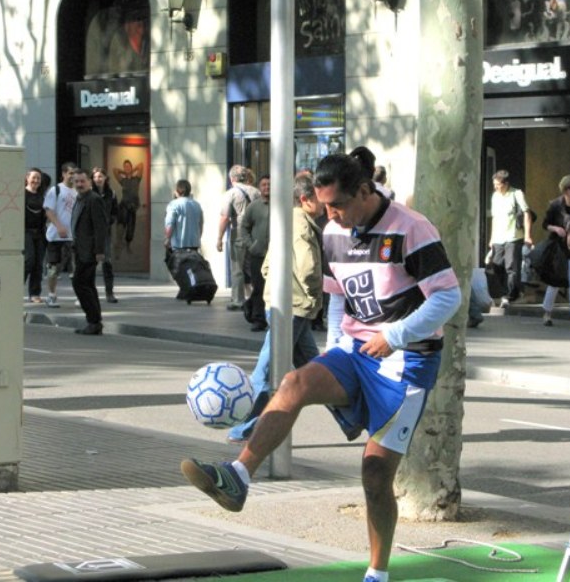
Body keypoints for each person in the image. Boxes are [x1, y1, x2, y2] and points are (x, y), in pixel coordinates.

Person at [181, 153, 462, 582]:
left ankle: (377, 573)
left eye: (338, 205)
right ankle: (237, 476)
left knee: (374, 473)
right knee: (293, 382)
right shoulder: (333, 231)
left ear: (365, 192)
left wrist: (394, 336)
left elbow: (447, 297)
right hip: (354, 350)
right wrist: (336, 346)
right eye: (325, 206)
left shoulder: (411, 228)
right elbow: (338, 297)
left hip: (407, 361)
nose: (330, 215)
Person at [228, 171, 324, 442]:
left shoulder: (287, 221)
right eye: (319, 198)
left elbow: (268, 265)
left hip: (287, 306)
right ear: (305, 199)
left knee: (316, 370)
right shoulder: (302, 225)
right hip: (294, 307)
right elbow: (308, 269)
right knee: (266, 370)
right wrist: (315, 294)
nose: (325, 204)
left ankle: (353, 417)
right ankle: (243, 428)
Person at [541, 174, 570, 328]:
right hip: (558, 248)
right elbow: (545, 224)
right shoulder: (555, 205)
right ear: (565, 189)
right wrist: (556, 228)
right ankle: (547, 311)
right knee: (555, 282)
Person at [486, 169, 533, 307]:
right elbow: (494, 218)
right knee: (496, 265)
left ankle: (510, 295)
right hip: (498, 237)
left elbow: (527, 214)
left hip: (513, 236)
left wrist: (528, 236)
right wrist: (492, 238)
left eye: (498, 184)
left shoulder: (516, 194)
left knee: (511, 267)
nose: (495, 187)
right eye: (494, 184)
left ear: (505, 183)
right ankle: (500, 293)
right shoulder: (495, 196)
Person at [70, 169, 108, 335]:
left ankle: (93, 320)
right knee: (87, 285)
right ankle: (94, 321)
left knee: (80, 283)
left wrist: (99, 250)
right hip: (80, 249)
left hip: (89, 250)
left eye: (82, 181)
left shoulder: (94, 200)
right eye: (76, 181)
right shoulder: (80, 199)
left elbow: (101, 227)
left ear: (89, 182)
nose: (79, 184)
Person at [218, 165, 260, 310]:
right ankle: (259, 296)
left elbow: (225, 217)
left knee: (237, 268)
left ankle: (238, 299)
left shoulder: (231, 194)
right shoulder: (256, 192)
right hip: (255, 234)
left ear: (232, 178)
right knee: (255, 267)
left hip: (239, 234)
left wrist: (219, 238)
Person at [43, 161, 78, 308]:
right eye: (70, 173)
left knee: (75, 269)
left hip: (73, 237)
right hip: (56, 237)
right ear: (63, 174)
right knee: (53, 269)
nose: (73, 176)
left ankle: (79, 296)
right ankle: (51, 295)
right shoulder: (55, 190)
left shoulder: (78, 191)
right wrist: (59, 226)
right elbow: (48, 210)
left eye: (75, 173)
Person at [240, 174, 271, 332]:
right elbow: (244, 227)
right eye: (264, 185)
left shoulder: (282, 204)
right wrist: (251, 245)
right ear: (260, 187)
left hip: (276, 256)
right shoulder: (254, 206)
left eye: (269, 184)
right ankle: (258, 319)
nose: (267, 187)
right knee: (259, 287)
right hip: (258, 255)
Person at [92, 166, 119, 303]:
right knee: (90, 262)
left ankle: (109, 292)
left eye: (100, 176)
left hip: (105, 232)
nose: (98, 179)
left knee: (107, 261)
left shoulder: (111, 193)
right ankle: (90, 293)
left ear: (105, 178)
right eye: (95, 177)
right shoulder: (90, 192)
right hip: (91, 233)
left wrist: (110, 220)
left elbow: (115, 210)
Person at [24, 167, 48, 304]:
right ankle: (15, 288)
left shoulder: (42, 196)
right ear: (27, 178)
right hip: (25, 231)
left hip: (40, 233)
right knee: (29, 260)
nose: (36, 180)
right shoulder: (22, 194)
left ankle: (35, 293)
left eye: (38, 178)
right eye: (33, 177)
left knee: (38, 264)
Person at [164, 179, 204, 253]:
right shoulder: (197, 205)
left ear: (177, 191)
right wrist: (198, 238)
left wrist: (167, 239)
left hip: (179, 246)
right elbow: (200, 224)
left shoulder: (173, 204)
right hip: (194, 246)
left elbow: (169, 223)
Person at [113, 159, 142, 253]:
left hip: (133, 206)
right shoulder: (123, 180)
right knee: (121, 224)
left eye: (128, 166)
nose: (127, 168)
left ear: (132, 167)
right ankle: (118, 244)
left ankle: (128, 245)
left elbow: (141, 165)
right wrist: (125, 172)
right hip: (123, 205)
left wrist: (131, 171)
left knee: (130, 228)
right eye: (125, 166)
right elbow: (115, 170)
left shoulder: (137, 178)